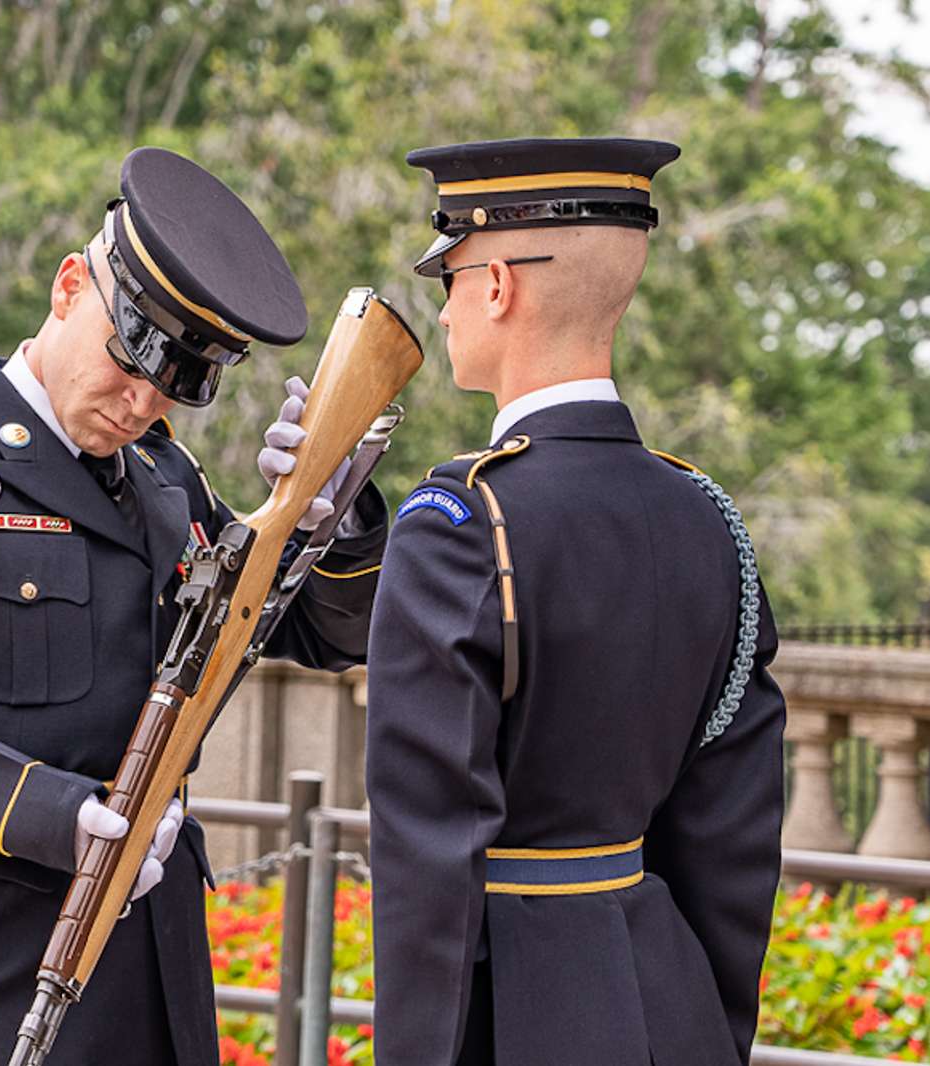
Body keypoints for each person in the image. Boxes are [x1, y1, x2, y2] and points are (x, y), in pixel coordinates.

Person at [0, 146, 388, 1066]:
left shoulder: (167, 482)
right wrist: (49, 811)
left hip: (156, 980)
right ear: (67, 288)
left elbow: (319, 631)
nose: (140, 402)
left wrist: (339, 510)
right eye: (128, 357)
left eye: (173, 385)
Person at [363, 137, 787, 1066]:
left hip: (507, 1016)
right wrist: (708, 1029)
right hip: (665, 998)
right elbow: (732, 835)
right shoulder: (707, 519)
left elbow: (425, 861)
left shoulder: (459, 520)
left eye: (451, 277)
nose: (443, 308)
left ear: (499, 286)